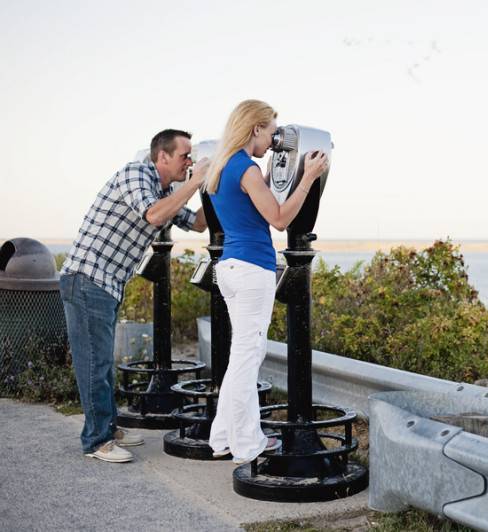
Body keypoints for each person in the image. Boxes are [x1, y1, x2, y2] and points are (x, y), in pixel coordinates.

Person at [60, 129, 209, 463]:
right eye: (185, 155)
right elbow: (154, 214)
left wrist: (215, 183)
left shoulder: (168, 189)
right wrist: (194, 183)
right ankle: (96, 442)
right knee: (94, 364)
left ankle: (108, 427)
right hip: (87, 278)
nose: (190, 161)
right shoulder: (135, 174)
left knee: (104, 363)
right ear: (162, 156)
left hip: (106, 283)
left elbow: (198, 224)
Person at [204, 100, 327, 464]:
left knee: (241, 356)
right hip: (251, 270)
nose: (274, 139)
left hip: (229, 268)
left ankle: (222, 437)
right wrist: (307, 177)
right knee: (247, 357)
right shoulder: (247, 169)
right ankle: (246, 445)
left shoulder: (220, 167)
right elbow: (278, 219)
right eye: (272, 131)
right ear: (254, 128)